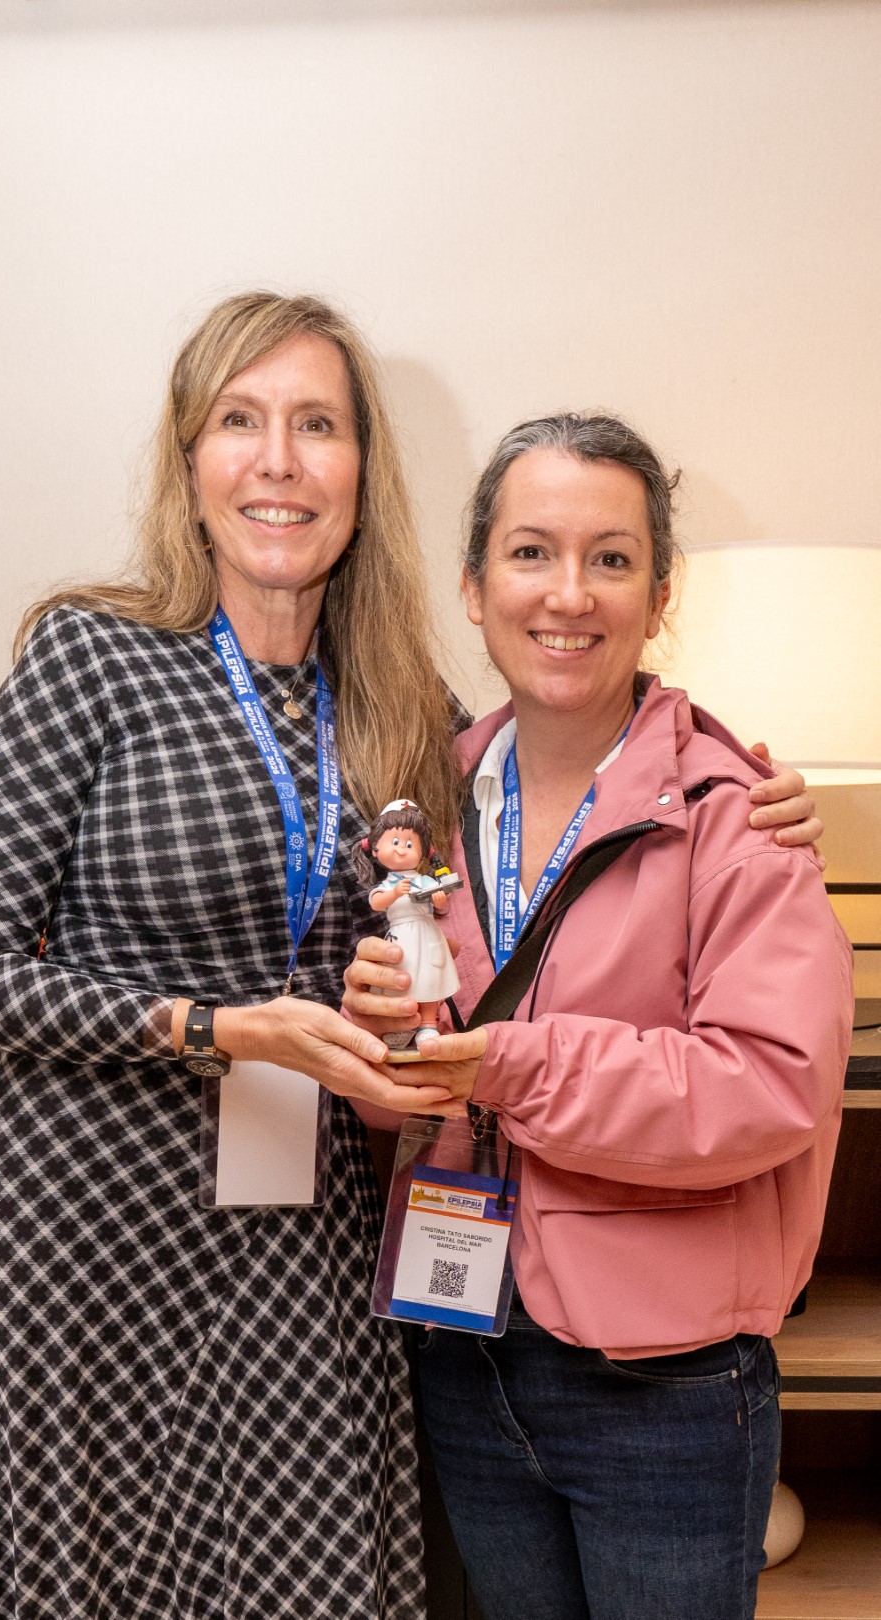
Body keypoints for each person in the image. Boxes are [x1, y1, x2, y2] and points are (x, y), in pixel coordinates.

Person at [0, 289, 821, 1620]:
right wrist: (217, 1028)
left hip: (308, 1234)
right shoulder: (90, 656)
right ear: (190, 459)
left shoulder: (409, 707)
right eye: (241, 421)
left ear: (362, 468)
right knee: (91, 1583)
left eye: (318, 426)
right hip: (83, 1223)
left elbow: (561, 793)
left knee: (306, 1574)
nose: (279, 461)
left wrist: (756, 786)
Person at [343, 413, 853, 1620]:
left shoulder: (738, 818)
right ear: (474, 586)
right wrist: (381, 1054)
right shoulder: (422, 810)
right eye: (531, 552)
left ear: (658, 595)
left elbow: (767, 1086)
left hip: (666, 1386)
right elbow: (408, 1094)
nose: (568, 593)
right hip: (466, 1350)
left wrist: (511, 1067)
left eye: (611, 559)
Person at [354, 800, 460, 1052]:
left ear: (422, 852)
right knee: (400, 980)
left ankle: (427, 1025)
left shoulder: (424, 880)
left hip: (427, 934)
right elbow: (377, 902)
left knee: (431, 980)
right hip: (401, 937)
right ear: (375, 849)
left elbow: (440, 901)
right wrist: (394, 894)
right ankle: (402, 1024)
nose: (402, 850)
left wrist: (439, 898)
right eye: (395, 842)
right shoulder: (388, 884)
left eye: (410, 844)